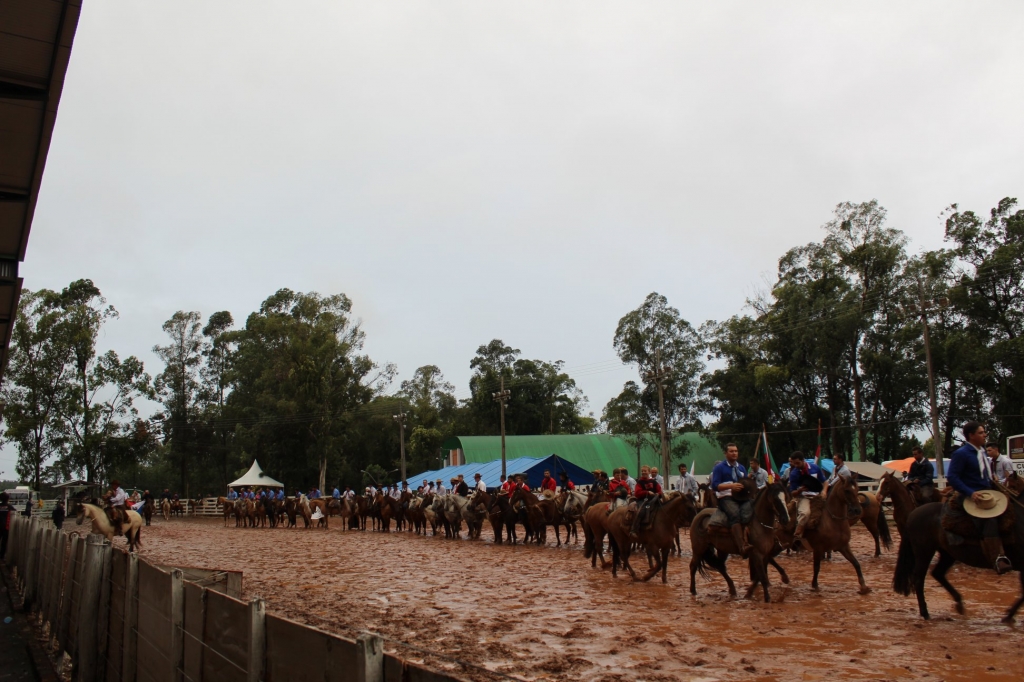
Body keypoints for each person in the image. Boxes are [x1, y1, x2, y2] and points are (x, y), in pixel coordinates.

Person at [947, 422, 1011, 574]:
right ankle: (997, 558)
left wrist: (992, 479)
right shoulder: (961, 454)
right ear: (971, 435)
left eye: (984, 432)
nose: (985, 435)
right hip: (971, 495)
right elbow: (953, 477)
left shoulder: (982, 451)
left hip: (987, 492)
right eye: (981, 432)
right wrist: (970, 492)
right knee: (989, 518)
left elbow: (983, 473)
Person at [710, 443, 752, 557]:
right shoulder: (719, 468)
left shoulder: (741, 468)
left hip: (742, 497)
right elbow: (715, 485)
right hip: (726, 497)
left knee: (751, 512)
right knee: (735, 514)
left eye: (736, 451)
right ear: (725, 453)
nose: (734, 453)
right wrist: (731, 486)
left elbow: (747, 482)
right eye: (731, 451)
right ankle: (742, 546)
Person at [789, 452, 825, 541]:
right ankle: (798, 534)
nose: (796, 465)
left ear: (803, 460)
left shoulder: (815, 468)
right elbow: (792, 492)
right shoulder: (794, 474)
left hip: (817, 496)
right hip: (803, 497)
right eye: (794, 463)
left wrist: (824, 491)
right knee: (805, 513)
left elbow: (825, 481)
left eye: (797, 463)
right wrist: (799, 491)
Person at [628, 465, 663, 540]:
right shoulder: (640, 482)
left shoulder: (653, 481)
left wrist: (658, 494)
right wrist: (647, 492)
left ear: (649, 472)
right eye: (642, 471)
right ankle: (634, 530)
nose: (643, 472)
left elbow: (660, 490)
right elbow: (637, 493)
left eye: (645, 471)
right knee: (640, 512)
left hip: (654, 499)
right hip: (643, 500)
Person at [0, 492, 12, 561]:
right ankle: (1, 556)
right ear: (8, 499)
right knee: (4, 542)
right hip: (6, 527)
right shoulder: (9, 507)